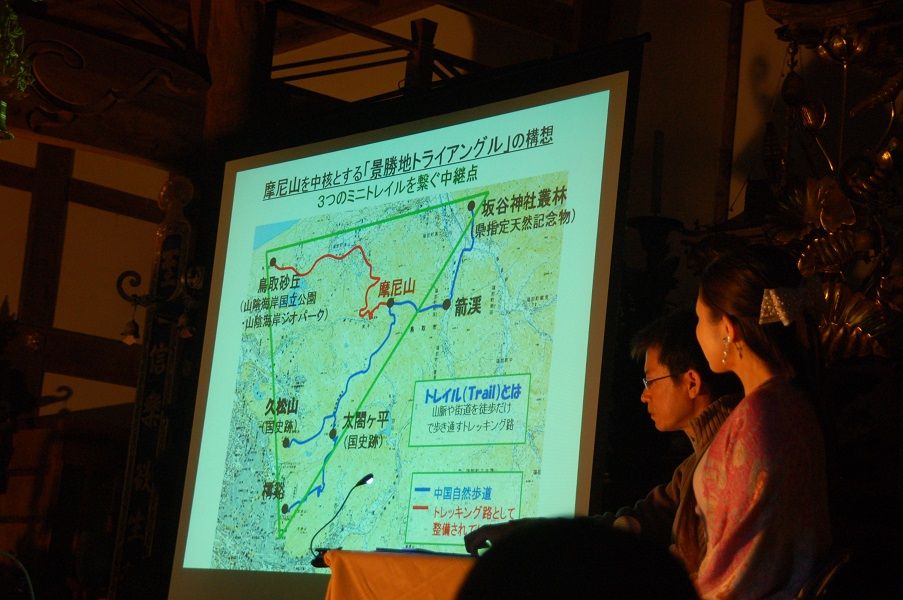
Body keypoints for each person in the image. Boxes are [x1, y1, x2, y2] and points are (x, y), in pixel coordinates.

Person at [463, 310, 741, 579]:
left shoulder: (730, 461)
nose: (644, 395)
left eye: (651, 381)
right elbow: (629, 524)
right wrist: (523, 533)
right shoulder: (690, 470)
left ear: (692, 383)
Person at [692, 243, 831, 598]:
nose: (696, 332)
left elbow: (741, 568)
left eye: (699, 319)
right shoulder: (789, 401)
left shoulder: (759, 418)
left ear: (728, 328)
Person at [457, 517, 700, 600]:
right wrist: (515, 530)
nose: (646, 397)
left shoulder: (713, 465)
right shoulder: (685, 475)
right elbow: (627, 520)